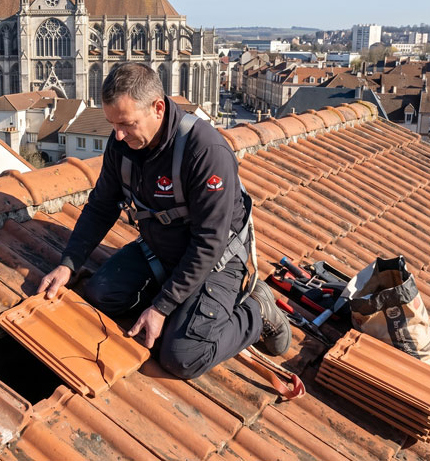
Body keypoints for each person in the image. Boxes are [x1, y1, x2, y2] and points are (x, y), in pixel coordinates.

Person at [37, 63, 290, 379]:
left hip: (215, 264)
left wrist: (161, 308)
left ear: (158, 108)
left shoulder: (204, 150)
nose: (117, 135)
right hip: (160, 252)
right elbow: (101, 207)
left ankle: (256, 310)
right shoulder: (122, 145)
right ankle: (182, 309)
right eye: (112, 124)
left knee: (181, 357)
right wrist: (69, 263)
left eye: (127, 124)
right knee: (100, 295)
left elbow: (209, 242)